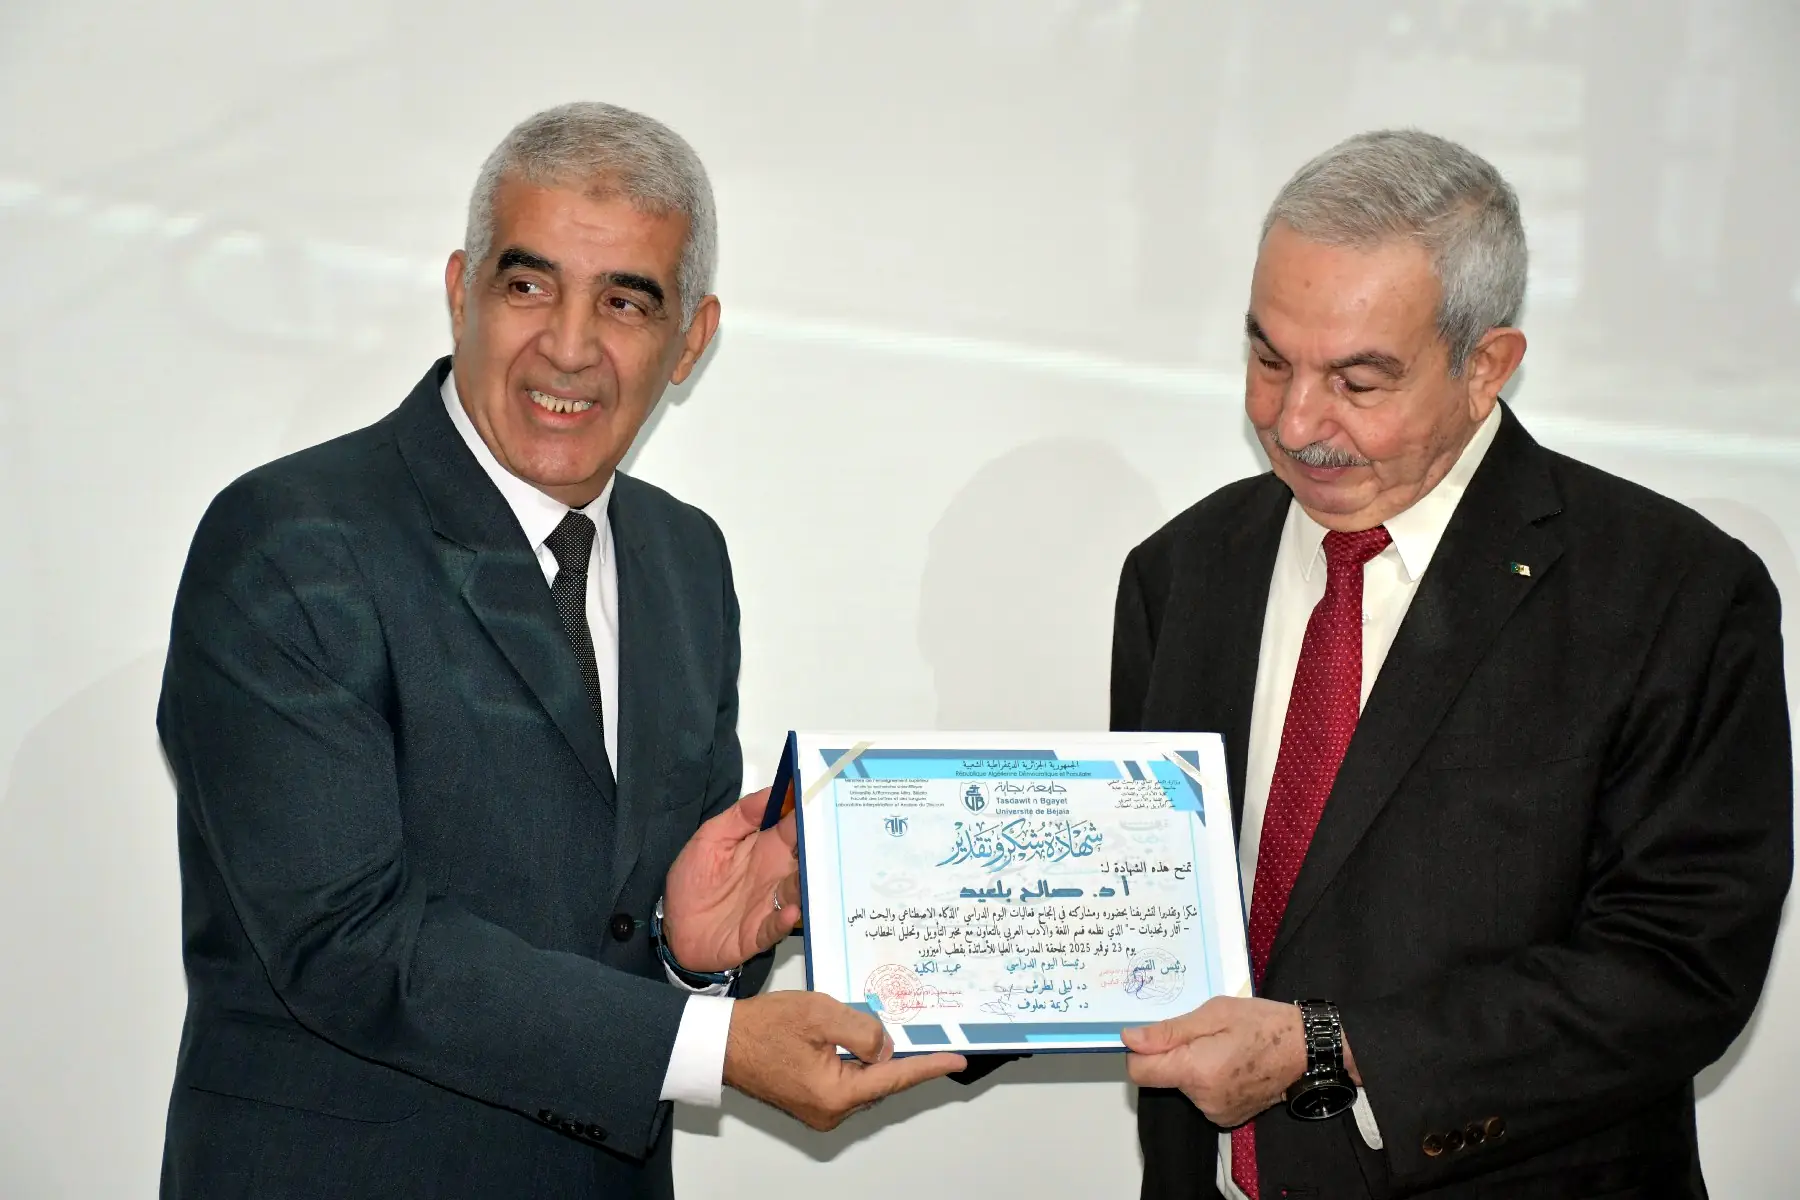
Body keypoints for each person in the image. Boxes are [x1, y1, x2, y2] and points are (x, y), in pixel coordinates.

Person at [156, 101, 964, 1199]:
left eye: (625, 301)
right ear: (461, 291)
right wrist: (714, 1047)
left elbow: (621, 929)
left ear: (691, 341)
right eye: (529, 286)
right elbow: (344, 939)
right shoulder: (291, 541)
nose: (571, 347)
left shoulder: (687, 559)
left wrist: (687, 950)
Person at [1113, 130, 1791, 1199]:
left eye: (1358, 381)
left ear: (1486, 367)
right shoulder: (1183, 571)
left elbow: (1677, 968)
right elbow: (1133, 902)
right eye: (1270, 359)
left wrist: (1332, 1049)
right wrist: (920, 1003)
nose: (1293, 420)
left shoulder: (1674, 594)